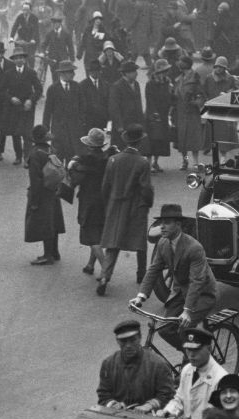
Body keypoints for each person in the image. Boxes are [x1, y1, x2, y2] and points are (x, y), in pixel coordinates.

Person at [131, 202, 217, 344]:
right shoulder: (163, 243)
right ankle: (189, 356)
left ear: (178, 224)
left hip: (202, 295)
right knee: (165, 330)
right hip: (180, 292)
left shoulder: (194, 248)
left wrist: (187, 311)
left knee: (185, 329)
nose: (162, 227)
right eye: (161, 223)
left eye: (167, 223)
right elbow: (154, 270)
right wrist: (140, 297)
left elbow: (197, 281)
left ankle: (199, 359)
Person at [98, 124, 153, 296]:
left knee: (113, 244)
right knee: (139, 242)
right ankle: (141, 274)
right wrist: (148, 203)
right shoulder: (143, 162)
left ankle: (104, 277)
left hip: (116, 205)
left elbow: (105, 186)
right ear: (139, 142)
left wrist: (109, 204)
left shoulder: (113, 159)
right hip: (135, 207)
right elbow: (146, 188)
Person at [97, 319, 174, 412]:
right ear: (117, 341)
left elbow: (167, 395)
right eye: (123, 341)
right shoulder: (108, 363)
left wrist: (149, 405)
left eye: (133, 340)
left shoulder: (158, 364)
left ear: (140, 338)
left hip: (150, 418)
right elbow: (103, 395)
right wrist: (112, 404)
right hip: (117, 416)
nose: (128, 345)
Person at [71, 127, 112, 276]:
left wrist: (73, 168)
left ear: (89, 145)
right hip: (104, 201)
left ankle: (106, 269)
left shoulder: (85, 160)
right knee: (98, 233)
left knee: (91, 237)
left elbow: (77, 179)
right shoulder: (107, 159)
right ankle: (90, 265)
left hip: (88, 201)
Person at [25, 124, 65, 265]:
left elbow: (35, 179)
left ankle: (48, 255)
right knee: (53, 222)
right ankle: (55, 251)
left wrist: (34, 201)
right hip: (52, 191)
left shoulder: (35, 153)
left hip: (42, 193)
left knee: (44, 224)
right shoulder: (50, 150)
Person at [4, 45, 43, 165]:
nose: (19, 60)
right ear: (13, 60)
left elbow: (38, 89)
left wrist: (31, 100)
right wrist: (11, 98)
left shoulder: (31, 72)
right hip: (14, 107)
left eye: (21, 57)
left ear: (24, 59)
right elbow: (2, 90)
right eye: (16, 58)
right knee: (16, 133)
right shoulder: (8, 73)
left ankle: (27, 158)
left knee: (27, 133)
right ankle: (18, 156)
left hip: (27, 108)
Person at [41, 60, 85, 161]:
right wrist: (45, 129)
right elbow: (47, 111)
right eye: (70, 72)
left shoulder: (77, 87)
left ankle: (70, 175)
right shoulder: (53, 89)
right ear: (62, 74)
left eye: (72, 71)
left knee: (72, 157)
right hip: (58, 130)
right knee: (58, 157)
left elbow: (82, 107)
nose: (73, 74)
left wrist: (81, 123)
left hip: (74, 130)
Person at [144, 58, 174, 173]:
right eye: (164, 71)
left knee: (161, 141)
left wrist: (170, 92)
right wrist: (155, 114)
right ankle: (149, 163)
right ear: (158, 72)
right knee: (152, 140)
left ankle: (155, 162)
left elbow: (170, 99)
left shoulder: (167, 82)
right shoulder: (150, 84)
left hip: (164, 114)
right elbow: (150, 101)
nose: (166, 73)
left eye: (166, 71)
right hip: (153, 116)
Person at [108, 61, 145, 139]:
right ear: (126, 73)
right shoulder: (117, 87)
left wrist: (141, 122)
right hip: (124, 125)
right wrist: (119, 126)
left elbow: (139, 104)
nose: (136, 73)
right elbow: (114, 108)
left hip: (135, 124)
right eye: (134, 71)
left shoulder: (136, 84)